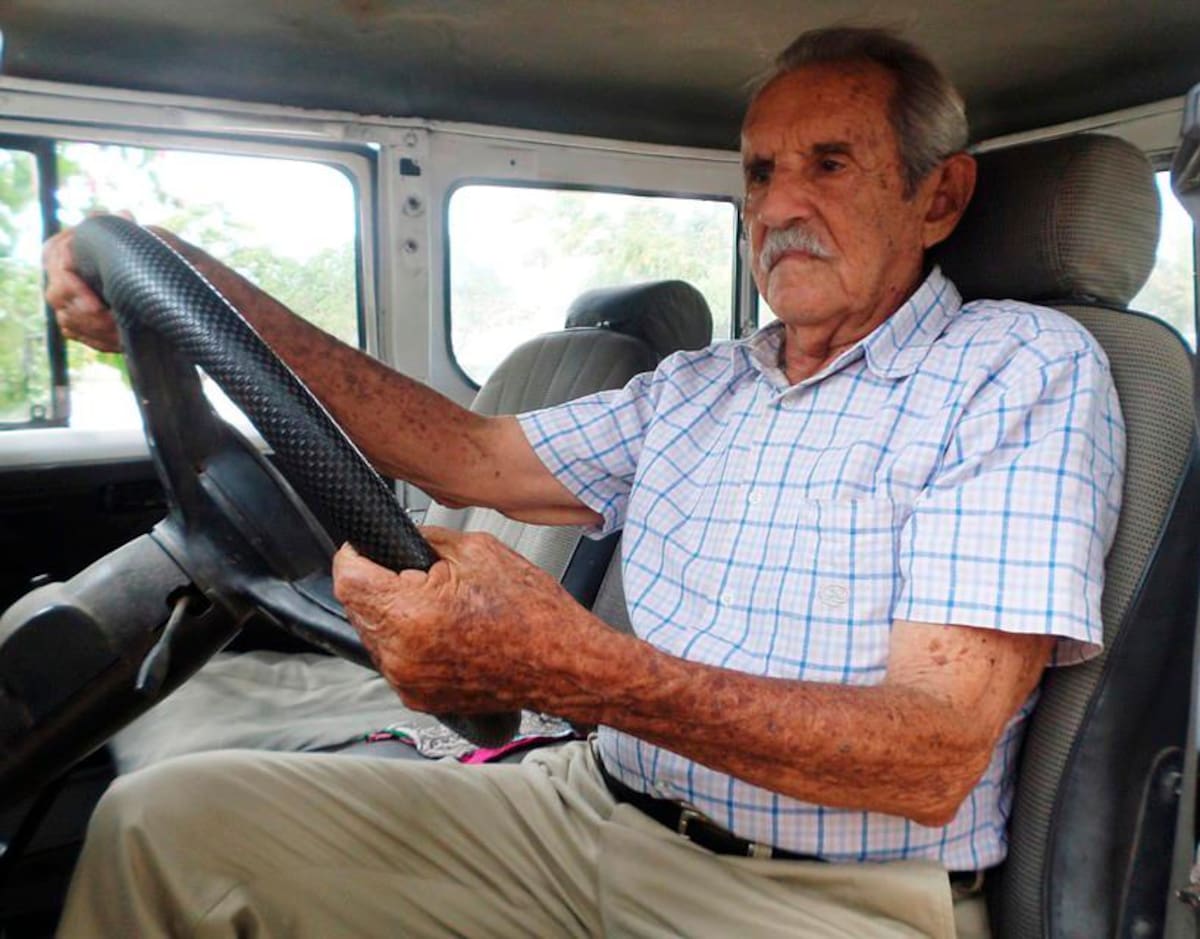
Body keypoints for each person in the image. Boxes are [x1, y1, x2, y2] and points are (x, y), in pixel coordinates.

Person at [44, 26, 1123, 939]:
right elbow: (467, 454)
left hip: (819, 899)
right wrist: (192, 285)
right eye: (758, 173)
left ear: (939, 199)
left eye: (829, 164)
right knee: (164, 823)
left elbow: (929, 755)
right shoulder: (705, 384)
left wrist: (572, 668)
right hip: (585, 811)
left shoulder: (1015, 369)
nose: (778, 206)